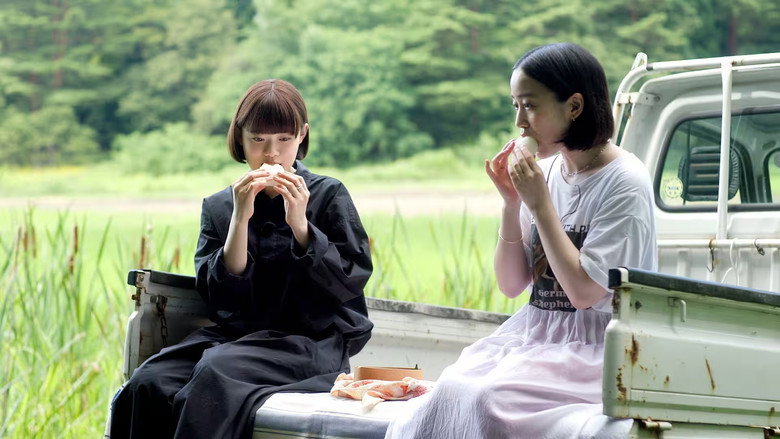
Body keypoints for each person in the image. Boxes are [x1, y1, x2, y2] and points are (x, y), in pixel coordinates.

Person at [385, 42, 657, 439]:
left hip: (599, 348)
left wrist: (541, 205)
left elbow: (584, 293)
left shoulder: (624, 181)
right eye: (515, 105)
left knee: (488, 399)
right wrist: (512, 204)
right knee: (452, 388)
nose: (519, 122)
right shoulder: (546, 174)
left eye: (529, 106)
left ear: (574, 106)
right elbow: (512, 285)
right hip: (537, 335)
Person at [110, 79, 373, 439]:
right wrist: (240, 218)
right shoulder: (220, 205)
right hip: (237, 337)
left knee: (216, 369)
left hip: (312, 343)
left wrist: (300, 224)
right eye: (258, 139)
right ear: (240, 138)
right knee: (148, 380)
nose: (271, 154)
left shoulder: (328, 194)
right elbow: (219, 298)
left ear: (302, 136)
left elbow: (350, 280)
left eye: (284, 139)